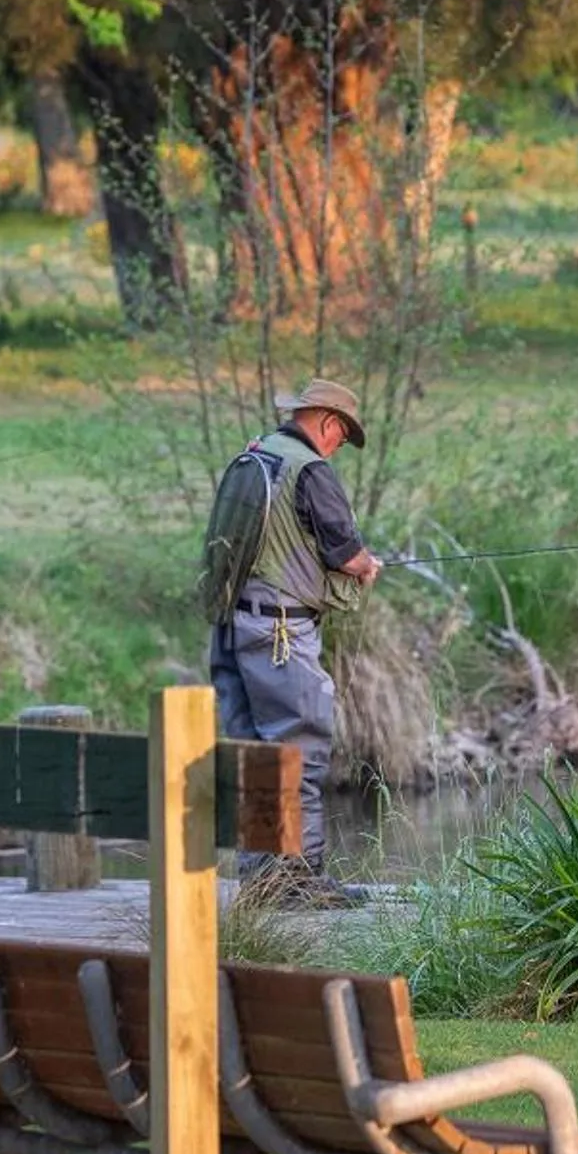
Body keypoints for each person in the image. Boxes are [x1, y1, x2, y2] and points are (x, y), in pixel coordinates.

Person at [198, 378, 382, 907]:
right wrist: (367, 567)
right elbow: (345, 552)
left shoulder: (257, 455)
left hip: (232, 628)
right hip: (279, 633)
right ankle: (300, 879)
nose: (338, 447)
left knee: (256, 752)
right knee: (300, 749)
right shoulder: (311, 471)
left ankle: (262, 879)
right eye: (341, 436)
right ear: (327, 422)